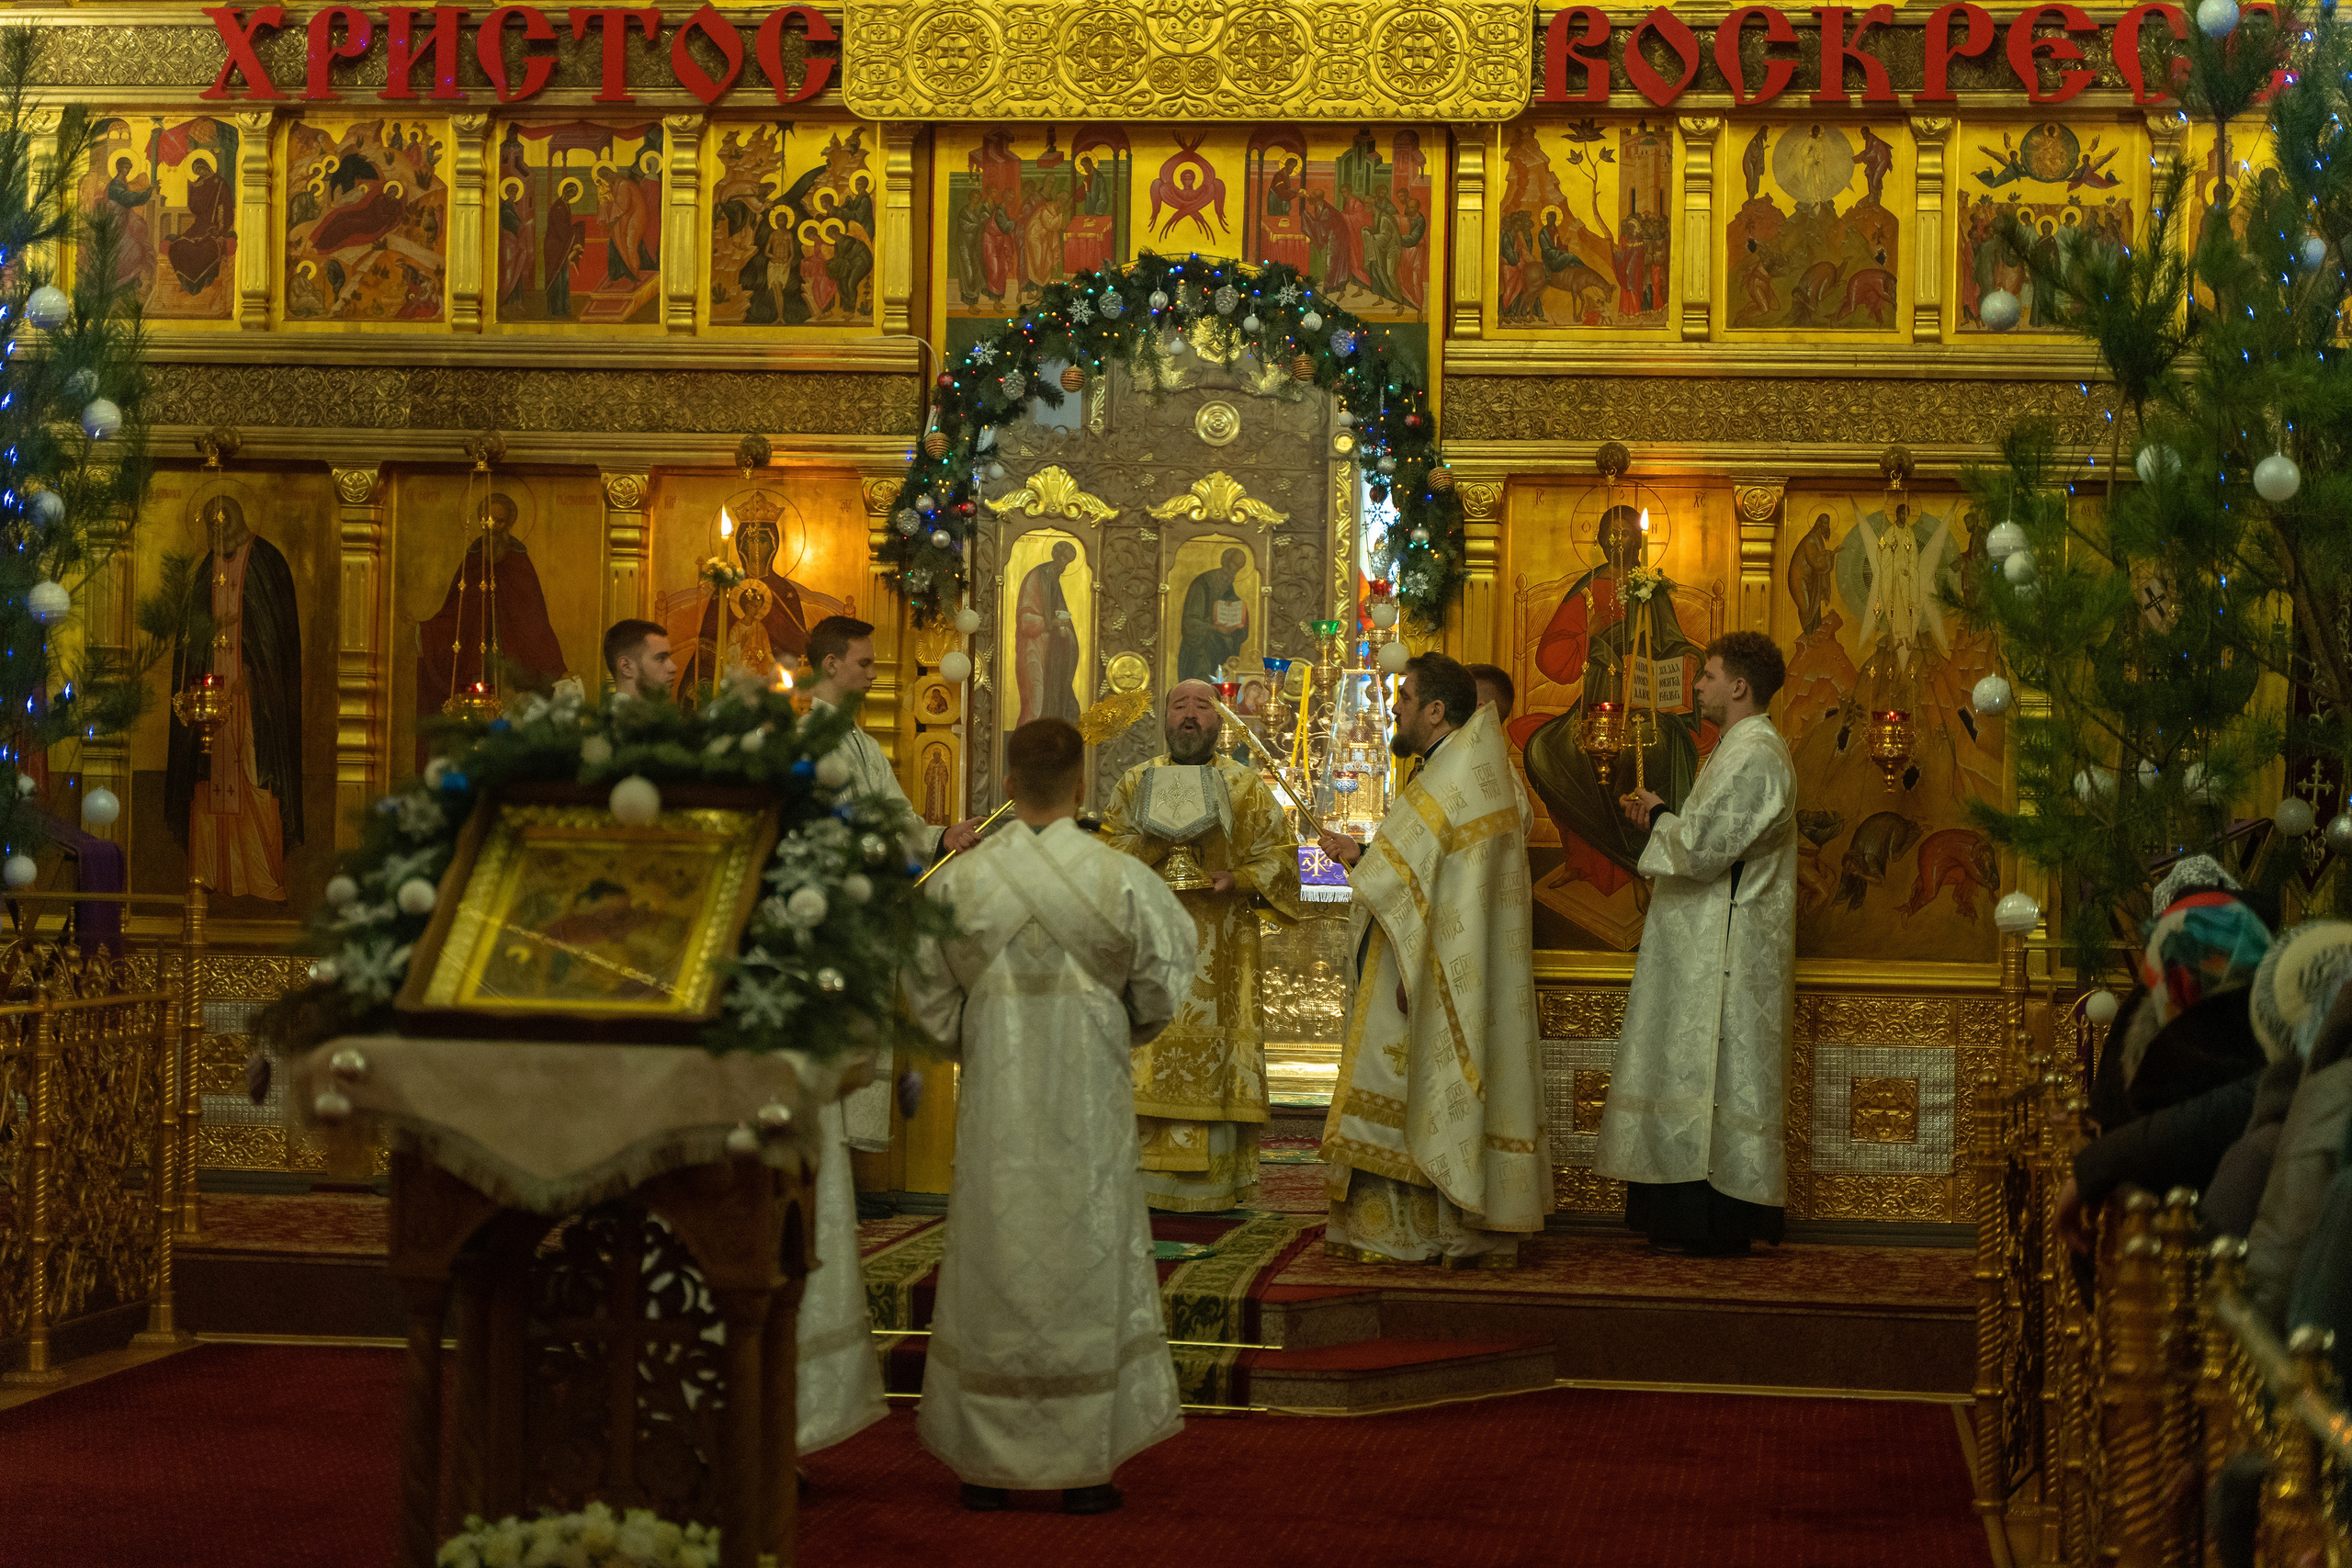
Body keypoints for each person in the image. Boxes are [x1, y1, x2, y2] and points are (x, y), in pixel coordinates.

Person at [902, 718, 1197, 1515]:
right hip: (1087, 1100)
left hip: (997, 1102)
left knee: (995, 1247)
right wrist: (1115, 1026)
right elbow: (1166, 983)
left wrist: (975, 1034)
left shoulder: (961, 884)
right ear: (1079, 785)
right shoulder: (1122, 882)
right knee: (1085, 1245)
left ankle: (984, 1464)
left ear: (1006, 783)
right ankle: (1085, 1466)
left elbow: (925, 999)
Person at [1314, 652, 1550, 1265]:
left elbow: (1441, 887)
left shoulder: (1455, 777)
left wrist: (1424, 965)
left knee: (1411, 1086)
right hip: (1427, 960)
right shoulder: (1465, 768)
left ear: (1436, 710)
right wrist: (1363, 852)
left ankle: (1418, 1230)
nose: (1396, 707)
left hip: (1423, 969)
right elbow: (1433, 876)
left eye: (1407, 696)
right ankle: (1428, 1223)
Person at [1594, 631, 1797, 1256]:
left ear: (1739, 686)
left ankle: (1717, 1219)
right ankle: (1682, 1213)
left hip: (1729, 954)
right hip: (1705, 944)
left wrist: (1659, 815)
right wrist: (1662, 815)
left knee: (1720, 1071)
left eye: (1708, 675)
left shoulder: (1757, 753)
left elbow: (1707, 847)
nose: (1698, 685)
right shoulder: (1734, 748)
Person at [1100, 679, 1302, 1212]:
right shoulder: (1135, 781)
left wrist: (1239, 879)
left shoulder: (1245, 786)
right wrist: (1151, 843)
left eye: (1203, 706)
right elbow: (1107, 848)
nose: (1190, 715)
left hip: (1223, 946)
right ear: (1164, 718)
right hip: (1150, 947)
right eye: (1179, 705)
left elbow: (1281, 854)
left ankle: (1213, 1187)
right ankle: (1138, 1182)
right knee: (1147, 1048)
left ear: (1221, 720)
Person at [602, 618, 674, 700]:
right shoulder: (616, 713)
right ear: (626, 666)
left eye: (669, 658)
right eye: (661, 658)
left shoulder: (649, 711)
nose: (673, 668)